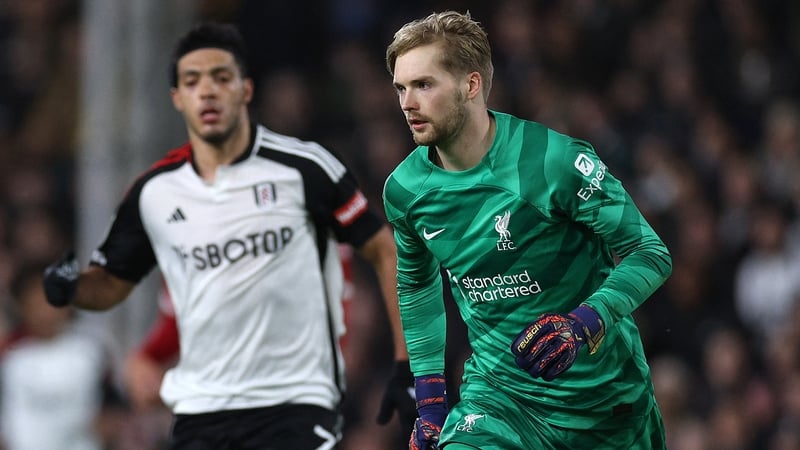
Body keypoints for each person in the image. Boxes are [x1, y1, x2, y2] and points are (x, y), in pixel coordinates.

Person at [42, 22, 415, 449]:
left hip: (294, 405)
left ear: (246, 90)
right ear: (177, 98)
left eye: (221, 78)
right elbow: (109, 284)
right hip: (201, 412)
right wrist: (71, 287)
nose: (207, 92)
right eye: (192, 81)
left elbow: (385, 250)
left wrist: (407, 363)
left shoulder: (305, 168)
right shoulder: (154, 193)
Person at [382, 11, 673, 450]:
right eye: (401, 88)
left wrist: (583, 323)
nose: (407, 103)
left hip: (605, 404)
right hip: (499, 401)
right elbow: (418, 289)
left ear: (471, 85)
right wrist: (431, 404)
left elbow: (650, 252)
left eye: (423, 85)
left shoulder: (553, 161)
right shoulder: (405, 190)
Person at [0, 267, 125, 450]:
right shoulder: (10, 357)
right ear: (21, 306)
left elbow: (114, 403)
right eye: (36, 303)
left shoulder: (91, 351)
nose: (45, 312)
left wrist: (109, 422)